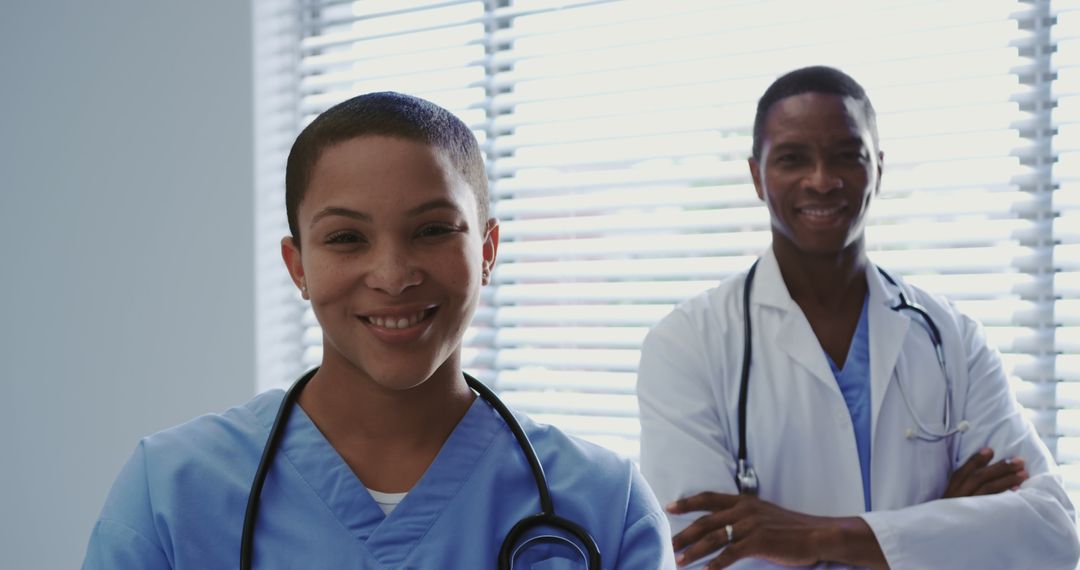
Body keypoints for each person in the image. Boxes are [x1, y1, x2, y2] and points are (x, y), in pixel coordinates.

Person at [83, 92, 676, 569]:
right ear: (299, 267)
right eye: (346, 238)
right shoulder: (170, 492)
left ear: (488, 250)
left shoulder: (605, 506)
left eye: (433, 230)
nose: (393, 277)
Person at [636, 66, 1080, 569]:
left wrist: (816, 538)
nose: (822, 180)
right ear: (757, 176)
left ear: (879, 168)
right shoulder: (686, 344)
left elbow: (1051, 532)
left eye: (848, 156)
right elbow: (704, 555)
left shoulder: (953, 338)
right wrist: (937, 530)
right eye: (792, 158)